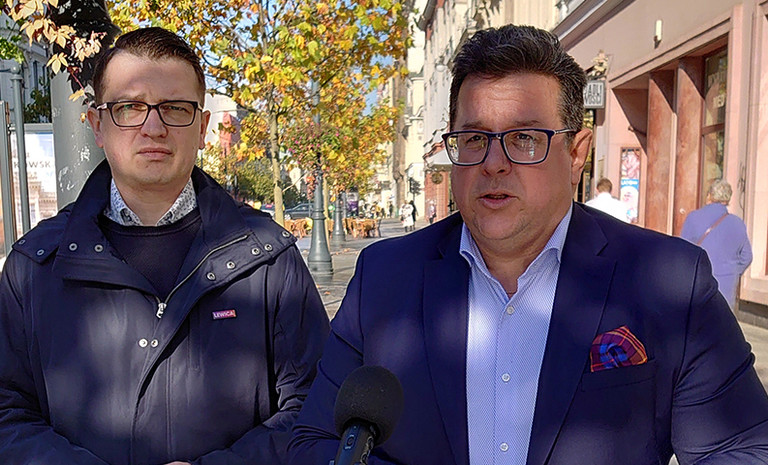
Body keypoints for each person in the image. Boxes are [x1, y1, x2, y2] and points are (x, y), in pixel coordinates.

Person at [289, 24, 768, 465]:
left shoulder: (668, 280)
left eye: (523, 138)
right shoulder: (384, 278)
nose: (493, 163)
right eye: (474, 138)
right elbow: (315, 441)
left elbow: (741, 447)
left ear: (576, 154)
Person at [0, 27, 329, 465]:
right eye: (129, 108)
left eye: (175, 108)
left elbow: (315, 405)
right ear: (98, 125)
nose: (153, 127)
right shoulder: (34, 267)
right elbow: (7, 413)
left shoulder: (268, 259)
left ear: (202, 127)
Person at [681, 179, 753, 308]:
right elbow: (747, 256)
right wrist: (732, 270)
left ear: (710, 195)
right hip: (727, 287)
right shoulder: (737, 223)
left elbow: (684, 252)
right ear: (727, 199)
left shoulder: (693, 218)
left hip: (699, 284)